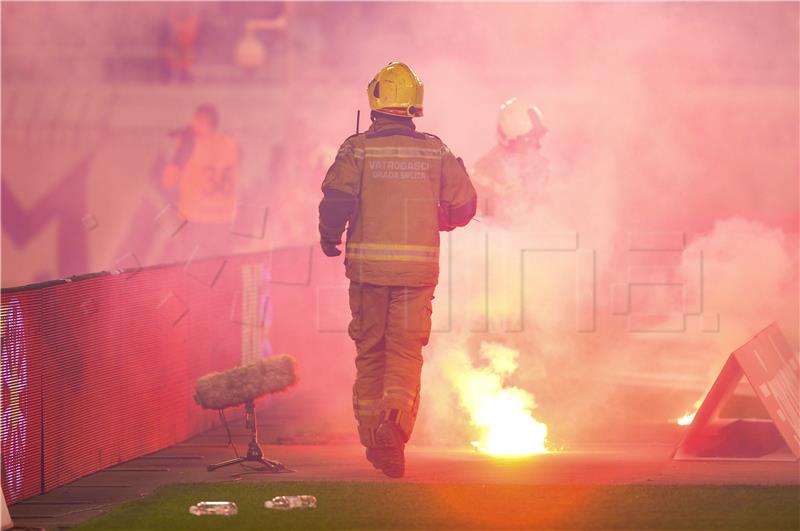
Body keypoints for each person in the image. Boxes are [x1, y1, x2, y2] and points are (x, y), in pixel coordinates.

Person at [318, 62, 477, 478]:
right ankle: (394, 427)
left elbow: (336, 199)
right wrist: (441, 218)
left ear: (374, 103)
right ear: (413, 107)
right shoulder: (434, 150)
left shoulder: (358, 149)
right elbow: (465, 205)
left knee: (371, 352)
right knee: (405, 354)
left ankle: (374, 439)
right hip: (417, 274)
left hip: (369, 272)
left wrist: (329, 237)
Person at [162, 104, 240, 261]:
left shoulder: (191, 146)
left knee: (195, 276)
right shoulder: (231, 144)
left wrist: (181, 148)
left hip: (197, 223)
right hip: (224, 222)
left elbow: (168, 181)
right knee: (220, 274)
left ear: (200, 121)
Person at [472, 98, 549, 219]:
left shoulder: (539, 167)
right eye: (530, 139)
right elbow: (482, 226)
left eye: (537, 138)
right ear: (512, 140)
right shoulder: (484, 172)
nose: (537, 146)